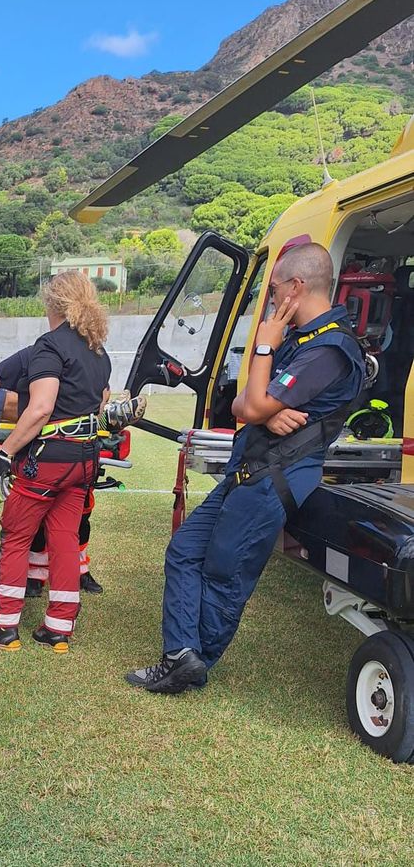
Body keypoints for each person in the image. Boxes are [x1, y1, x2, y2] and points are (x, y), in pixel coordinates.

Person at [126, 242, 365, 693]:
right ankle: (182, 653)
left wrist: (262, 352)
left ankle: (191, 666)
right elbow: (240, 402)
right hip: (248, 471)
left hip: (272, 479)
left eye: (274, 289)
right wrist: (263, 410)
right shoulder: (303, 341)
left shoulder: (330, 349)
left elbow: (253, 400)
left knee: (223, 574)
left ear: (297, 286)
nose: (272, 299)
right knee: (183, 550)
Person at [0, 270, 111, 652]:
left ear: (53, 303)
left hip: (47, 460)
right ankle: (58, 627)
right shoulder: (96, 350)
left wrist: (5, 452)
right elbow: (100, 405)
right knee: (64, 539)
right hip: (84, 460)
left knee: (16, 535)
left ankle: (4, 624)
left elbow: (39, 409)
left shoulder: (50, 347)